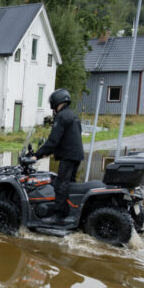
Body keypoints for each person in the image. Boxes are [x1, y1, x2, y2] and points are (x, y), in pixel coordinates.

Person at [30, 88, 83, 224]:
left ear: (56, 102)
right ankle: (71, 213)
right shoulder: (72, 115)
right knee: (70, 184)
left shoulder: (61, 116)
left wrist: (37, 155)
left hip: (68, 156)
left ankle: (58, 216)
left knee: (61, 185)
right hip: (76, 155)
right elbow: (68, 138)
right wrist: (49, 152)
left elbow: (53, 140)